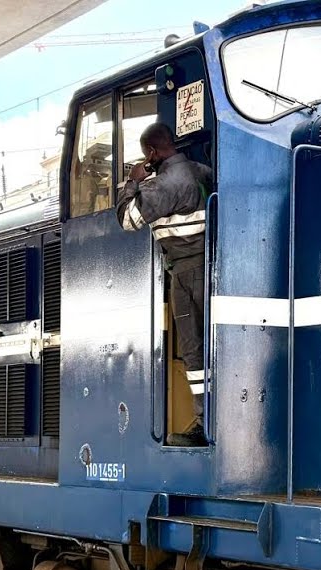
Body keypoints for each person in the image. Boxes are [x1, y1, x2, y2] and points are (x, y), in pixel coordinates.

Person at [117, 122, 213, 447]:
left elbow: (127, 220)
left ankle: (207, 425)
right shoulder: (202, 171)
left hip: (186, 273)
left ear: (152, 153)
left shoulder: (161, 186)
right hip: (212, 266)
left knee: (194, 351)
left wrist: (132, 181)